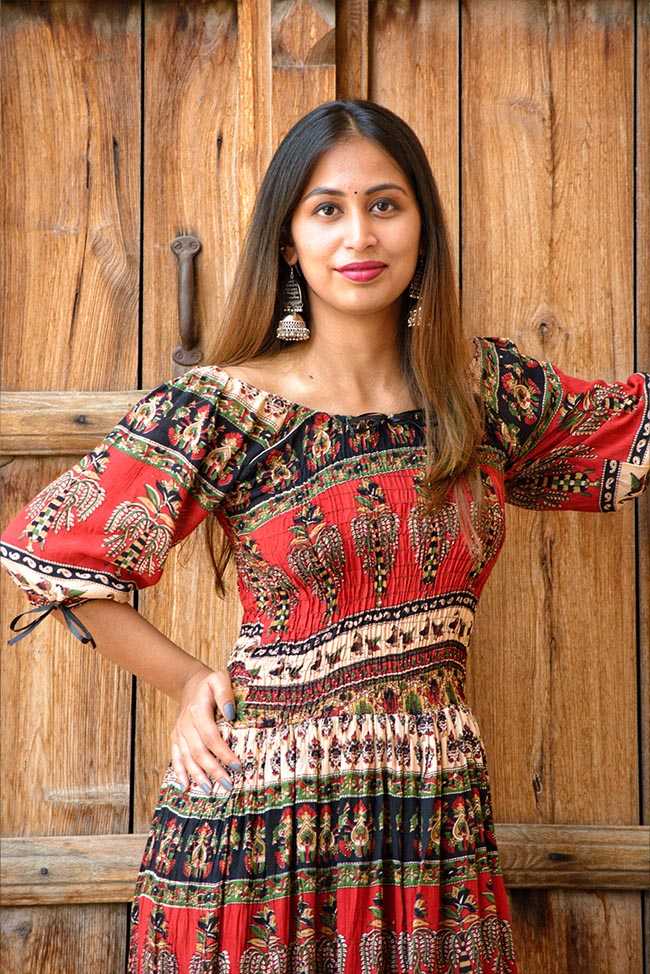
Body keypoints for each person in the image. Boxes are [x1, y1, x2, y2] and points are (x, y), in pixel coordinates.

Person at [1, 99, 648, 974]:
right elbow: (53, 555)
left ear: (423, 227)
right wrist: (188, 677)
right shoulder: (225, 408)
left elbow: (627, 435)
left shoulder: (483, 393)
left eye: (386, 204)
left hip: (433, 819)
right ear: (288, 238)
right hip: (261, 827)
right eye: (327, 208)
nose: (360, 236)